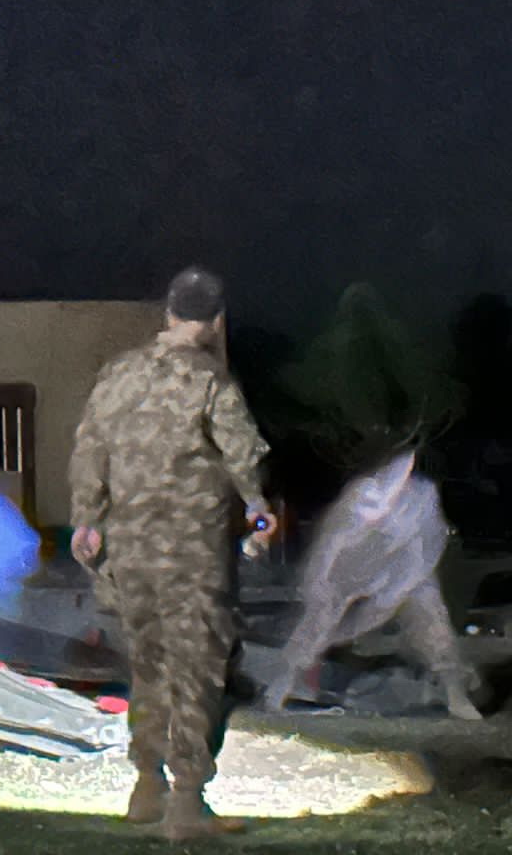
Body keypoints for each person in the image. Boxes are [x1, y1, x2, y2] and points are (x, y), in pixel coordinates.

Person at [69, 267, 277, 840]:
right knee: (199, 669)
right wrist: (260, 512)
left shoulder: (119, 375)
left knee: (148, 664)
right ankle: (187, 801)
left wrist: (87, 519)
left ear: (168, 313)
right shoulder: (211, 381)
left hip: (130, 551)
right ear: (216, 320)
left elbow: (89, 450)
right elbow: (243, 459)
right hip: (192, 556)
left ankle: (146, 787)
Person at [262, 447, 481, 720]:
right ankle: (280, 686)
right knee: (319, 621)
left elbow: (423, 548)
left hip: (407, 570)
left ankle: (456, 696)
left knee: (433, 623)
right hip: (358, 564)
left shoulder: (421, 496)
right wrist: (322, 583)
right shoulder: (362, 495)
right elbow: (333, 547)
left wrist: (394, 592)